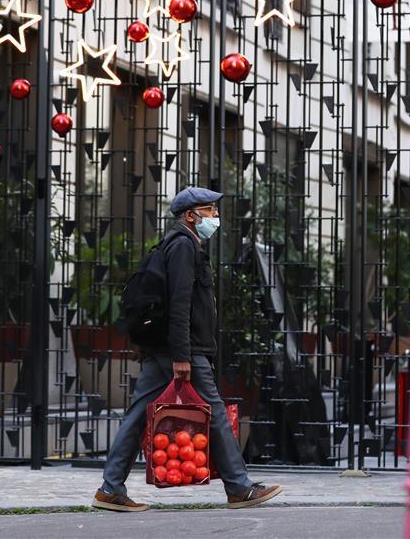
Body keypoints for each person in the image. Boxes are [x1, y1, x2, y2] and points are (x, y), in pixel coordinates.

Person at [93, 186, 282, 512]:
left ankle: (110, 488)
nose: (216, 216)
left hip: (169, 349)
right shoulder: (182, 247)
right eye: (210, 210)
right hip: (183, 350)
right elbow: (179, 304)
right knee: (216, 414)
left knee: (138, 415)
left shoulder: (179, 245)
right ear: (191, 216)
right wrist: (182, 356)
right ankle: (239, 488)